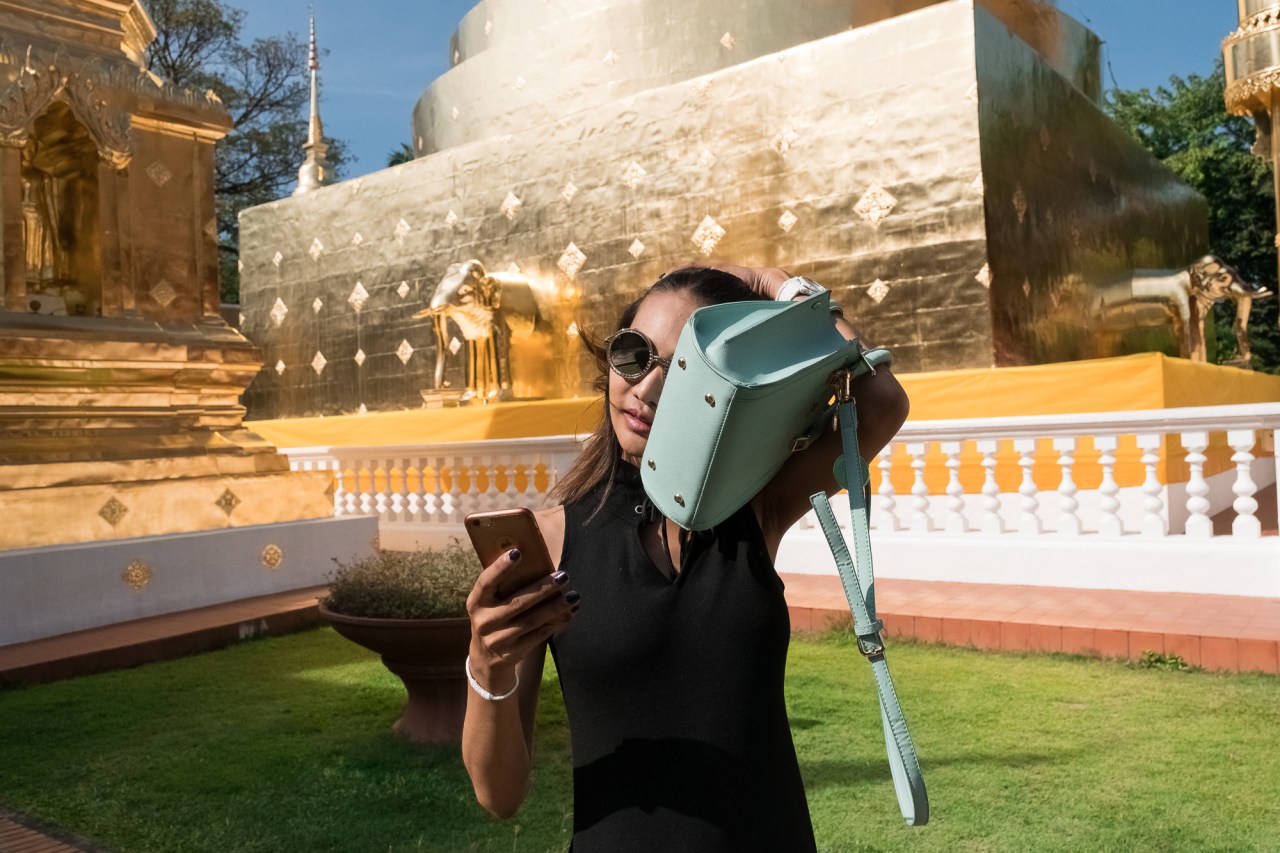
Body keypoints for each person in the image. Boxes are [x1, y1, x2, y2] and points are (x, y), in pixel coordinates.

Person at [462, 264, 910, 851]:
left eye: (681, 369)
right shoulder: (545, 542)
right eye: (634, 354)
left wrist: (779, 287)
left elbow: (880, 400)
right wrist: (486, 666)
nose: (644, 387)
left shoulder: (755, 511)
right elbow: (500, 796)